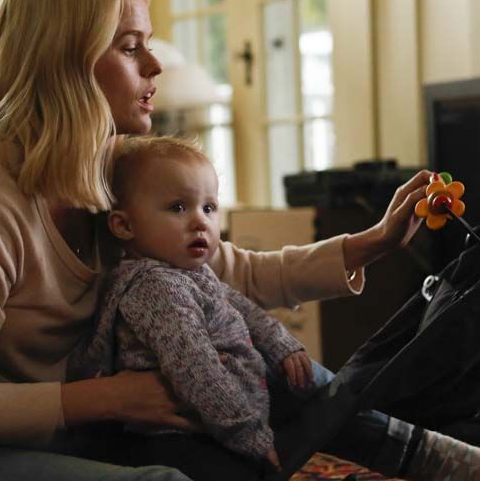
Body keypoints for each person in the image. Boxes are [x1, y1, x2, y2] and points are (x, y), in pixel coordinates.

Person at [0, 0, 480, 481]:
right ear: (63, 64)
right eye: (129, 46)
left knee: (303, 381)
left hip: (43, 426)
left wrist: (373, 242)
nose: (154, 66)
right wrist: (106, 398)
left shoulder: (112, 170)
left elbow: (229, 273)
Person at [68, 135, 315, 479]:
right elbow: (196, 368)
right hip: (179, 437)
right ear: (124, 225)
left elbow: (239, 305)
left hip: (217, 424)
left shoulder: (188, 273)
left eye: (209, 208)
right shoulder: (155, 288)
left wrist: (279, 343)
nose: (200, 221)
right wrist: (249, 434)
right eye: (178, 208)